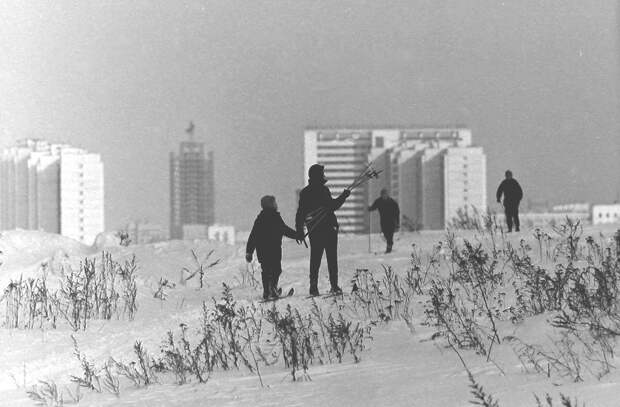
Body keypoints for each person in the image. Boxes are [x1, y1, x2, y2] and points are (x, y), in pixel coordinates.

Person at [296, 164, 351, 296]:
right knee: (332, 258)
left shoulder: (305, 192)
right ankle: (334, 286)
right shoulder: (323, 190)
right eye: (322, 173)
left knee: (315, 258)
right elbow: (331, 206)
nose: (324, 175)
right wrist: (343, 196)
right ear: (319, 176)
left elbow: (300, 213)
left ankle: (313, 287)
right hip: (329, 229)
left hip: (315, 231)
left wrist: (299, 230)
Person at [246, 195, 299, 299]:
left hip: (262, 250)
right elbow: (284, 230)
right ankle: (273, 289)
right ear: (271, 204)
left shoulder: (260, 218)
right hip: (274, 249)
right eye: (275, 203)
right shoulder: (275, 216)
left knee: (266, 270)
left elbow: (253, 236)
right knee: (276, 269)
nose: (276, 204)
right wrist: (297, 235)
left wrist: (249, 252)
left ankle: (267, 291)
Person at [368, 188, 400, 253]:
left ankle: (389, 249)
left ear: (387, 195)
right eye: (383, 195)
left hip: (392, 221)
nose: (384, 196)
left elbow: (397, 213)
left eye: (385, 194)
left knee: (390, 235)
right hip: (383, 221)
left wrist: (397, 223)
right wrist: (369, 208)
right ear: (381, 195)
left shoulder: (392, 202)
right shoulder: (379, 201)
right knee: (386, 234)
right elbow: (373, 207)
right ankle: (389, 245)